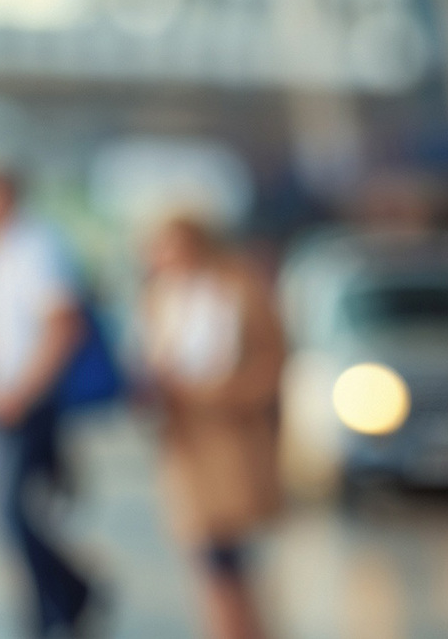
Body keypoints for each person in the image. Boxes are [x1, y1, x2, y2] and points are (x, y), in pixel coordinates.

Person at [0, 162, 101, 637]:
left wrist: (21, 391)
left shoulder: (35, 248)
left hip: (28, 402)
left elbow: (64, 325)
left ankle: (69, 597)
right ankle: (51, 606)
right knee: (10, 514)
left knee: (9, 512)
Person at [138, 210, 283, 639]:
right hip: (184, 441)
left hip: (230, 437)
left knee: (229, 561)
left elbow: (271, 362)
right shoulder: (160, 297)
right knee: (209, 562)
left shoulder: (236, 289)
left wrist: (219, 394)